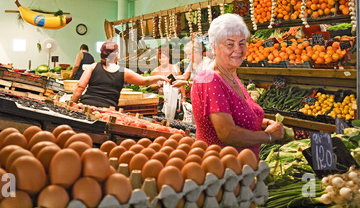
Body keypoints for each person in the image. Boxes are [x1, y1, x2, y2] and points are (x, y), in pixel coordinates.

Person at [189, 14, 284, 159]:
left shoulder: (230, 75)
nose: (238, 49)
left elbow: (236, 117)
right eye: (229, 44)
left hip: (241, 171)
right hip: (222, 170)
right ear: (214, 46)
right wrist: (268, 136)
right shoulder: (210, 80)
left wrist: (264, 123)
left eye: (242, 43)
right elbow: (227, 133)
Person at [71, 41, 169, 108]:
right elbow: (144, 81)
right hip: (108, 111)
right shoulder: (123, 72)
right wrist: (160, 77)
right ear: (116, 55)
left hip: (86, 105)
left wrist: (72, 105)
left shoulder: (92, 67)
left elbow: (80, 87)